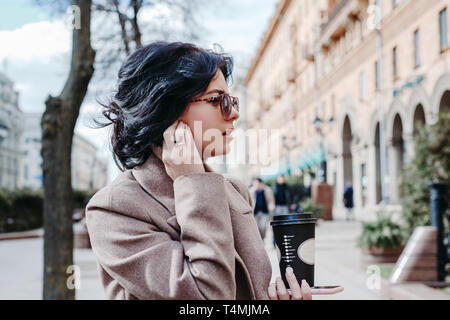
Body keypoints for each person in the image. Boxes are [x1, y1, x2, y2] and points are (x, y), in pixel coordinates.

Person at [85, 42, 315, 300]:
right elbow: (207, 298)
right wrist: (192, 183)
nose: (234, 113)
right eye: (218, 100)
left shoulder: (234, 189)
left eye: (232, 100)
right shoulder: (113, 209)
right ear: (164, 109)